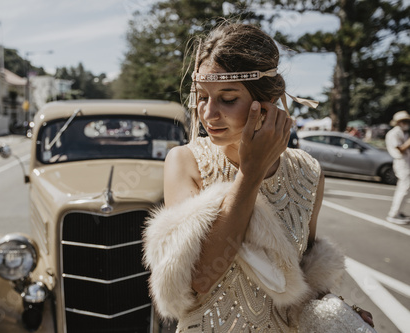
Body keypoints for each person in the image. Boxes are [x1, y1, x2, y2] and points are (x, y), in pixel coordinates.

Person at [143, 23, 374, 332]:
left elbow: (298, 279)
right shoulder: (185, 162)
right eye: (201, 97)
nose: (208, 113)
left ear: (266, 101)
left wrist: (339, 312)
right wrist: (250, 174)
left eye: (227, 99)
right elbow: (198, 280)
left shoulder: (309, 172)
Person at [385, 110, 410, 224]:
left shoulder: (402, 132)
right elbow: (400, 149)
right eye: (404, 121)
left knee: (404, 189)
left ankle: (397, 212)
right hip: (401, 163)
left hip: (405, 162)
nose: (406, 123)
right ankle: (393, 214)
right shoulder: (394, 133)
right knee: (404, 189)